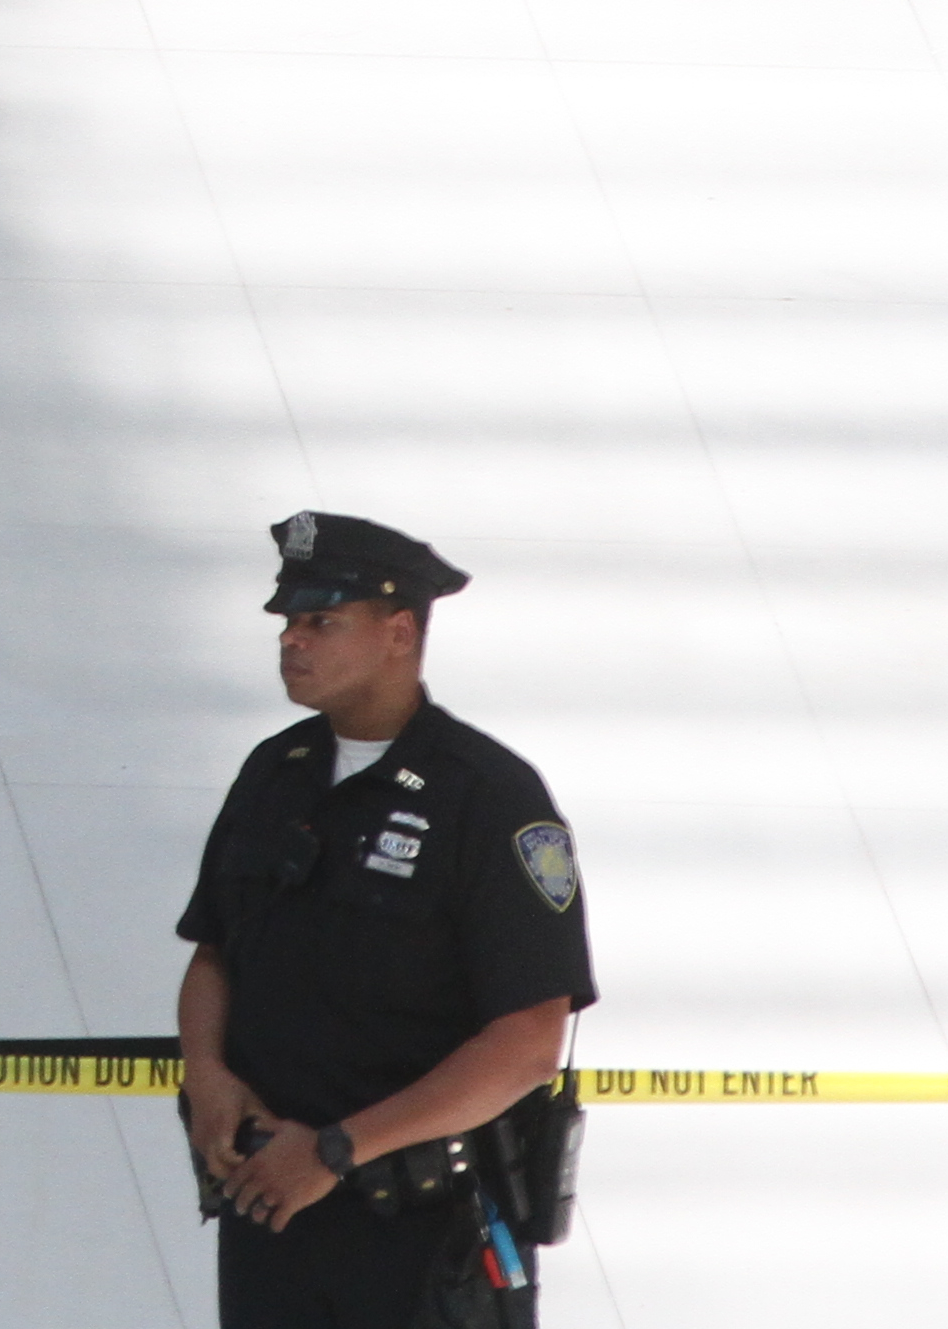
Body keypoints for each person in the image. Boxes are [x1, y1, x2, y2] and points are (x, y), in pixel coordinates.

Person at [173, 512, 592, 1329]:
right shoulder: (274, 774)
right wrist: (207, 1078)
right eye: (290, 623)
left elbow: (526, 1044)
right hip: (270, 1214)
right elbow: (213, 953)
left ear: (399, 632)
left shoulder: (488, 797)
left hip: (424, 1235)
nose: (293, 641)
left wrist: (336, 1150)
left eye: (321, 621)